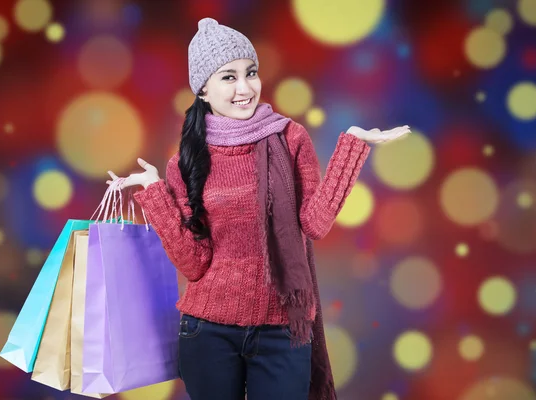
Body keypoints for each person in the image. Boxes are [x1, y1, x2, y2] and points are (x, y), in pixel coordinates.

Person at [107, 17, 409, 400]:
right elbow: (193, 263)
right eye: (228, 77)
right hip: (207, 331)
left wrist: (351, 146)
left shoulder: (289, 138)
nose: (245, 88)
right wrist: (155, 193)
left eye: (250, 72)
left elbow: (314, 224)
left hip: (282, 329)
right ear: (202, 90)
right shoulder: (186, 162)